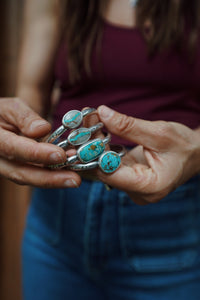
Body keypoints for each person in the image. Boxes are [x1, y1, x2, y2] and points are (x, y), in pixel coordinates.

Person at [1, 0, 200, 299]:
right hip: (57, 215)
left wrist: (195, 152)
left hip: (173, 222)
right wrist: (19, 124)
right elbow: (32, 90)